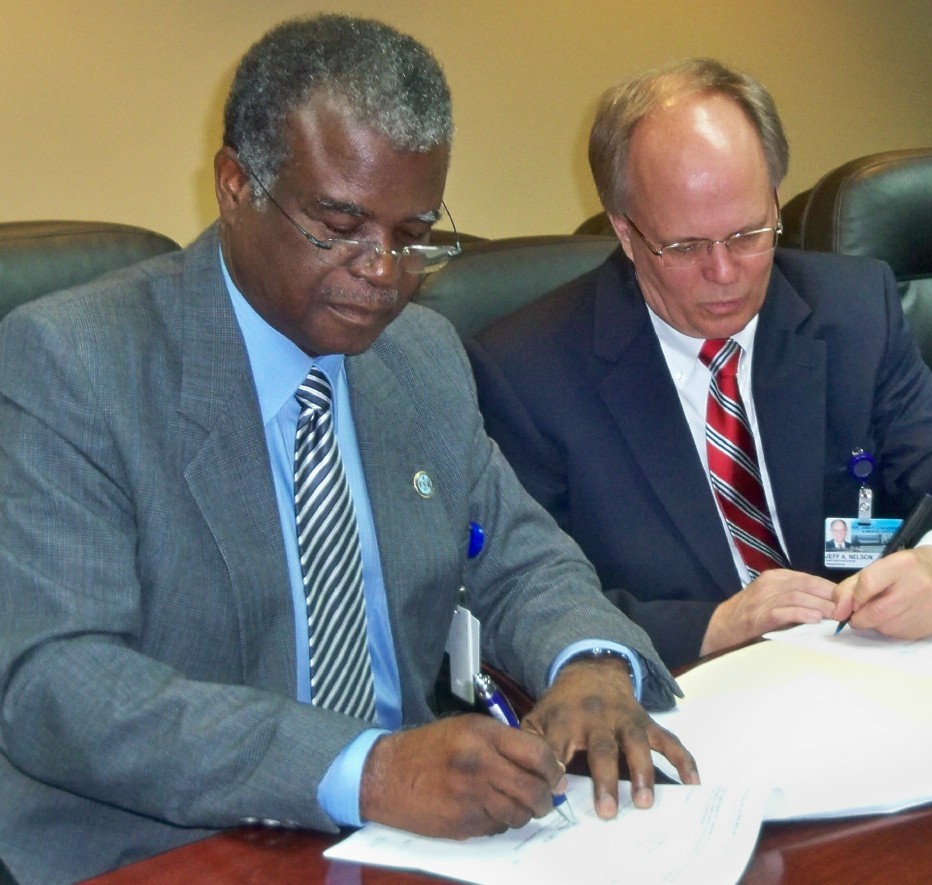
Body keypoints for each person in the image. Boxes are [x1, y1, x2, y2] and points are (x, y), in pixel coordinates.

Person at [0, 17, 697, 885]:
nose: (382, 271)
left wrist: (588, 659)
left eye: (411, 234)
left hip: (397, 848)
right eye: (339, 223)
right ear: (235, 185)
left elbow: (515, 555)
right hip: (165, 851)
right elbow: (59, 683)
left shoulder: (422, 357)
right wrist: (361, 768)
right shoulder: (76, 362)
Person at [469, 58, 932, 670]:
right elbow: (516, 599)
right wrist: (716, 624)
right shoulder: (525, 373)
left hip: (873, 674)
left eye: (748, 234)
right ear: (626, 233)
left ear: (776, 200)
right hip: (688, 699)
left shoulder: (852, 311)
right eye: (685, 247)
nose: (725, 272)